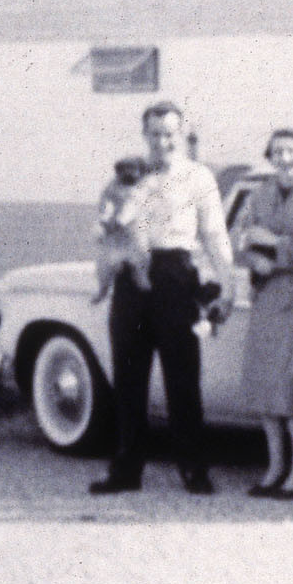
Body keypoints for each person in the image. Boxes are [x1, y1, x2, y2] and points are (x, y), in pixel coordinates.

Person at [91, 101, 235, 495]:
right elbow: (106, 222)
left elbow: (215, 234)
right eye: (155, 133)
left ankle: (193, 468)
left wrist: (227, 282)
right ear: (145, 136)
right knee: (128, 376)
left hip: (176, 275)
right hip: (131, 278)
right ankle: (126, 468)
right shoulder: (129, 175)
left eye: (170, 133)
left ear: (182, 134)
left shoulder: (198, 177)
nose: (162, 141)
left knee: (182, 377)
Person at [233, 128, 293, 499]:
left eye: (292, 152)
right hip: (265, 300)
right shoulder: (259, 193)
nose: (285, 159)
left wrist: (274, 246)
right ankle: (274, 466)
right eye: (278, 152)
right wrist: (254, 255)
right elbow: (242, 237)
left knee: (292, 387)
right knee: (265, 388)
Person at [90, 155, 150, 304]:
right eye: (124, 169)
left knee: (142, 255)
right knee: (105, 263)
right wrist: (105, 220)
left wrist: (120, 221)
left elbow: (132, 206)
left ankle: (141, 278)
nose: (128, 173)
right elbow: (106, 203)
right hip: (113, 233)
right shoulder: (112, 187)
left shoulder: (141, 188)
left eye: (133, 169)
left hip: (133, 231)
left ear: (141, 172)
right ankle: (103, 289)